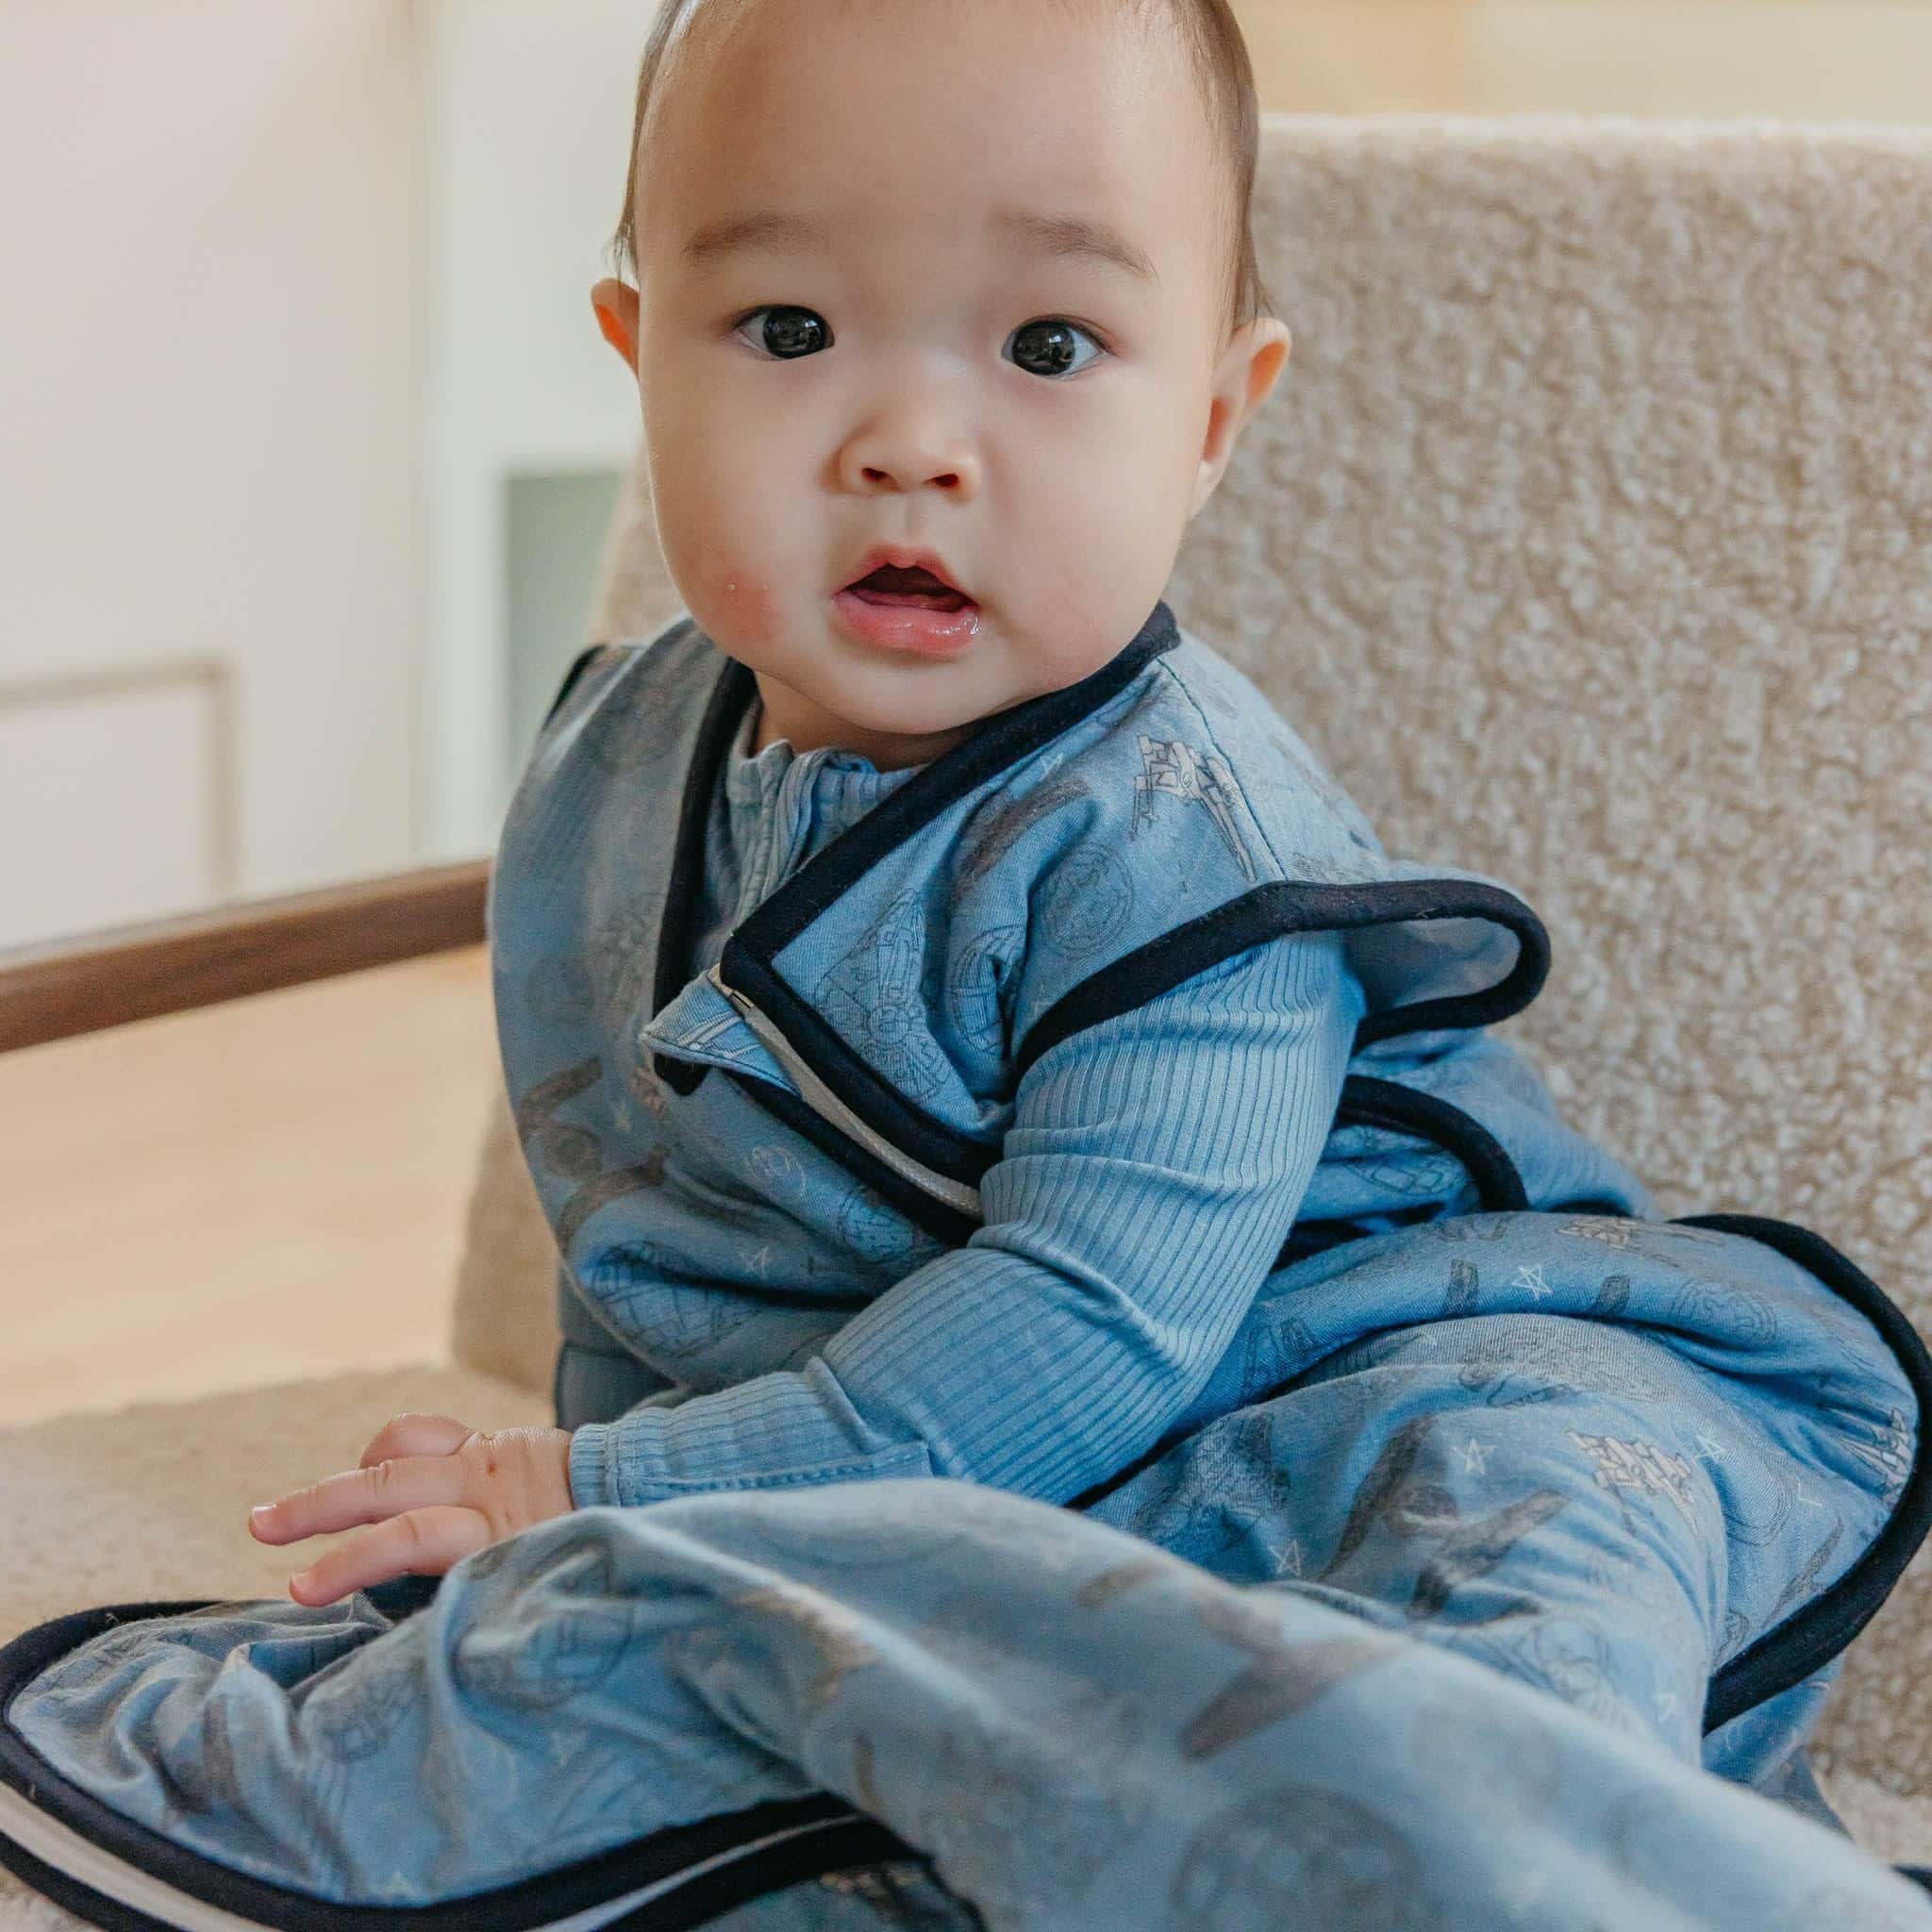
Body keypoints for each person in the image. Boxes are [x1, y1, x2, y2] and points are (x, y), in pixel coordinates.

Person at [240, 0, 1930, 1915]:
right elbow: (664, 1234)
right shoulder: (620, 770)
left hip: (1365, 1360)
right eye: (785, 329)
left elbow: (1092, 1323)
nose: (908, 445)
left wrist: (599, 1493)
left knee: (1520, 1538)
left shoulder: (1183, 853)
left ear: (1209, 420)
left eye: (1047, 346)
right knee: (689, 1685)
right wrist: (584, 1511)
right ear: (639, 361)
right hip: (962, 1451)